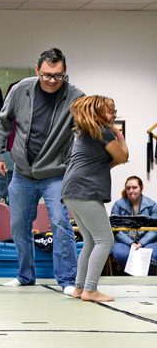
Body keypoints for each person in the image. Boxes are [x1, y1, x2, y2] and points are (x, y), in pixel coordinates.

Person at [0, 48, 83, 294]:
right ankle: (25, 275)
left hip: (56, 173)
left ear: (65, 73)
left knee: (60, 222)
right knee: (19, 224)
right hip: (22, 172)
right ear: (37, 70)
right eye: (46, 75)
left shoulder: (75, 97)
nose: (52, 81)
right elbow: (3, 120)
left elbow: (86, 132)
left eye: (58, 76)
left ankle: (67, 280)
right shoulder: (22, 89)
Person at [62, 95, 128, 302]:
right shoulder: (103, 132)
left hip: (71, 191)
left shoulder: (86, 133)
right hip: (85, 191)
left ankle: (79, 288)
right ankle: (90, 290)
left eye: (114, 111)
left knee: (90, 241)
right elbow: (123, 157)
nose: (113, 114)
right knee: (105, 239)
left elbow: (106, 163)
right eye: (110, 110)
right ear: (97, 112)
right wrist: (120, 136)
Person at [110, 176, 157, 267]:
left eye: (134, 187)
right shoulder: (118, 205)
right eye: (128, 188)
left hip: (148, 242)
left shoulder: (152, 205)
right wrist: (131, 243)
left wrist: (141, 243)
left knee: (151, 254)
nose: (131, 191)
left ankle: (146, 280)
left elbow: (154, 229)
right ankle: (126, 278)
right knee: (121, 255)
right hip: (123, 242)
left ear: (141, 188)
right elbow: (115, 229)